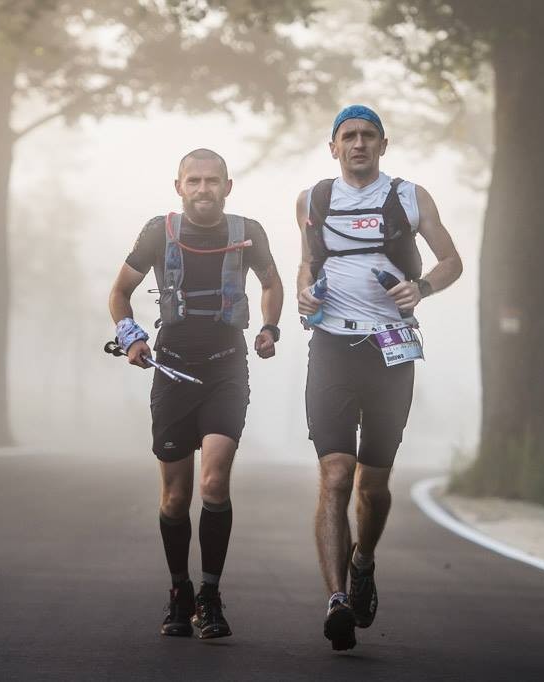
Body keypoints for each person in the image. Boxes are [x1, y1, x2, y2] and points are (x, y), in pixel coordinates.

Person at [295, 106, 463, 650]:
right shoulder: (315, 199)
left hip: (391, 349)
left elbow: (451, 260)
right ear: (334, 146)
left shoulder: (411, 197)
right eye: (349, 137)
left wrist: (424, 288)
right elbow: (307, 262)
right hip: (332, 347)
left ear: (383, 145)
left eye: (368, 136)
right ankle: (337, 599)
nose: (359, 144)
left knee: (373, 485)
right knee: (336, 475)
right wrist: (303, 291)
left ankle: (363, 559)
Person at [108, 148, 283, 639]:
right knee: (174, 496)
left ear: (228, 187)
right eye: (194, 181)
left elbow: (272, 284)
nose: (203, 189)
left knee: (213, 484)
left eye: (212, 181)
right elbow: (118, 292)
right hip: (171, 371)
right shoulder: (156, 232)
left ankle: (209, 595)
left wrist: (270, 328)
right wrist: (132, 337)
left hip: (227, 370)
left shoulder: (248, 231)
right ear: (179, 186)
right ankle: (179, 590)